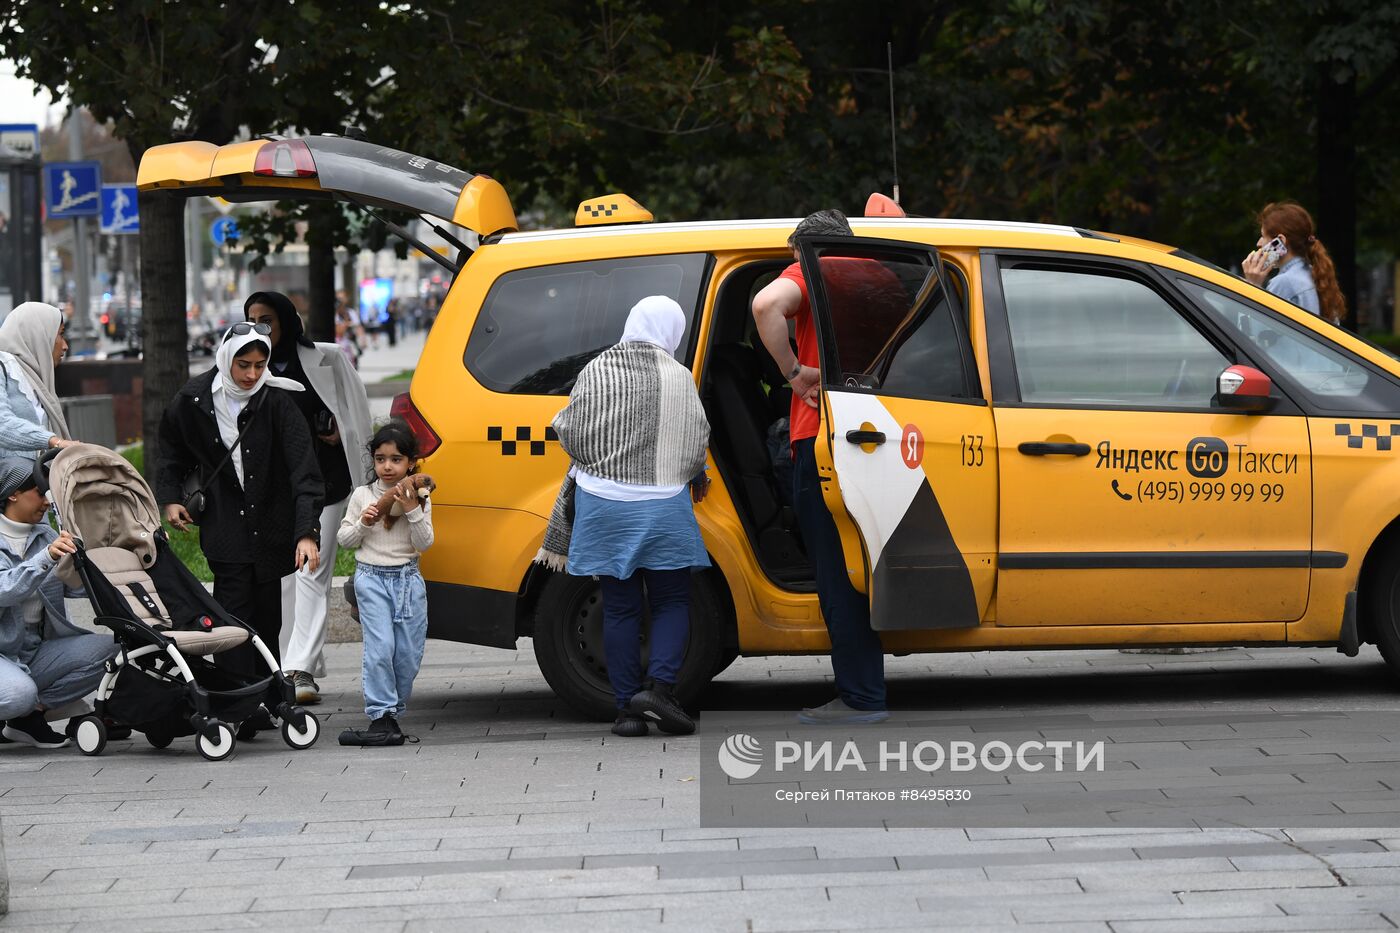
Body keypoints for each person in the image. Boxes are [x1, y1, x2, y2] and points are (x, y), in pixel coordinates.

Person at [537, 295, 711, 738]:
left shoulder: (595, 370)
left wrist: (602, 466)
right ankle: (662, 692)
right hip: (663, 504)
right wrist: (687, 472)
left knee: (619, 606)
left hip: (602, 503)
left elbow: (569, 430)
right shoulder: (679, 376)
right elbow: (697, 441)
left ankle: (625, 712)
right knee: (672, 599)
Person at [750, 210, 890, 725]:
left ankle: (861, 698)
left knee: (835, 571)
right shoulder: (882, 274)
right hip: (883, 432)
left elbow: (765, 304)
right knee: (864, 562)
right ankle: (864, 686)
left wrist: (792, 374)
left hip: (826, 439)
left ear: (804, 249)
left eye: (792, 256)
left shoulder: (816, 268)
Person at [155, 325, 324, 722]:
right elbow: (170, 453)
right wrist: (170, 499)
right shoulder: (193, 399)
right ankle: (238, 703)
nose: (251, 374)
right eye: (243, 364)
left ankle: (267, 698)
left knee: (268, 616)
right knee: (233, 616)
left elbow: (306, 473)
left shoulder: (277, 401)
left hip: (271, 524)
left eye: (260, 364)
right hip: (226, 524)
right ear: (225, 358)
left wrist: (305, 533)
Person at [244, 291, 371, 705]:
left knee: (311, 573)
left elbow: (357, 413)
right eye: (251, 321)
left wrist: (339, 434)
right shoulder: (246, 368)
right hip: (276, 490)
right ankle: (293, 664)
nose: (259, 329)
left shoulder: (328, 358)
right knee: (283, 580)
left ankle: (297, 671)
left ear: (285, 320)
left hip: (326, 485)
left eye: (266, 320)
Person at [0, 458, 118, 748]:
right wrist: (46, 559)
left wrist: (109, 555)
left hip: (35, 651)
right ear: (13, 493)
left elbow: (75, 589)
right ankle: (18, 705)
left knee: (114, 650)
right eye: (40, 493)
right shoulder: (45, 547)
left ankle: (28, 717)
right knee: (17, 694)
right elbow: (5, 590)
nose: (46, 502)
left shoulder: (46, 536)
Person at [336, 421, 433, 739]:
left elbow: (425, 541)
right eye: (380, 459)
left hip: (408, 581)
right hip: (371, 579)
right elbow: (345, 539)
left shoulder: (418, 496)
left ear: (410, 463)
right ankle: (382, 715)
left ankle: (394, 709)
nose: (387, 466)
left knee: (407, 654)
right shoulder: (363, 495)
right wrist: (364, 524)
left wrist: (411, 510)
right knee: (380, 649)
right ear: (373, 460)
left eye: (395, 459)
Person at [1242, 201, 1347, 325]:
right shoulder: (1316, 274)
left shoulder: (1284, 282)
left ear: (1280, 241)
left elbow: (1256, 336)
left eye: (1263, 236)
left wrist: (1252, 286)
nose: (1259, 243)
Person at [0, 302, 81, 459]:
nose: (65, 346)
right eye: (60, 334)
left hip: (39, 479)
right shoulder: (4, 365)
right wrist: (55, 441)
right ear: (39, 335)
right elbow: (2, 425)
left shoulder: (34, 378)